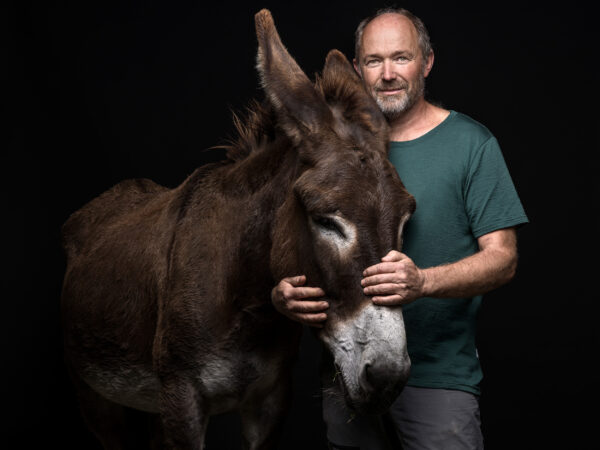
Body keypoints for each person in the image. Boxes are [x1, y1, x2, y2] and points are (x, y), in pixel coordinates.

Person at [271, 7, 528, 450]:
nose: (388, 74)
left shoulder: (471, 144)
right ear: (357, 71)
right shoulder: (331, 153)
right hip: (348, 375)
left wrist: (423, 281)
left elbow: (503, 259)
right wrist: (282, 295)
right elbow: (301, 244)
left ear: (426, 63)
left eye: (401, 58)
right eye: (374, 61)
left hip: (438, 381)